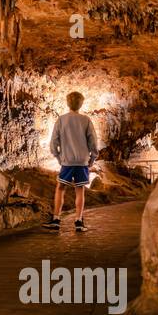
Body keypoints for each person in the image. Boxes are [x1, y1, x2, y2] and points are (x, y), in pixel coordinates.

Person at [44, 91, 98, 232]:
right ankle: (78, 221)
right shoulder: (86, 120)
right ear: (81, 104)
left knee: (60, 188)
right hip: (82, 161)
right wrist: (92, 158)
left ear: (68, 103)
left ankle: (56, 219)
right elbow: (93, 142)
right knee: (80, 190)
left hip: (67, 161)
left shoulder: (61, 120)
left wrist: (58, 157)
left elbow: (53, 142)